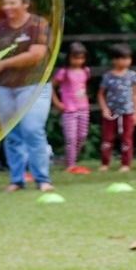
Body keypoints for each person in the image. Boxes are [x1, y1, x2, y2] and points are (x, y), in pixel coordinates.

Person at [0, 0, 54, 192]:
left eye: (12, 3)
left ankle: (42, 179)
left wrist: (4, 63)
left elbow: (36, 55)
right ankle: (16, 180)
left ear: (25, 4)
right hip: (3, 88)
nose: (7, 7)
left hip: (34, 86)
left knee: (32, 129)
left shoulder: (38, 24)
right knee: (12, 134)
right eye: (5, 3)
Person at [98, 43, 136, 172]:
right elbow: (100, 94)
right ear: (115, 59)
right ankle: (105, 163)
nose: (126, 61)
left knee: (127, 138)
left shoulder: (132, 76)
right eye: (123, 58)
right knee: (108, 138)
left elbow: (135, 95)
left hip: (128, 112)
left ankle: (126, 164)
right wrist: (104, 109)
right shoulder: (107, 76)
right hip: (111, 112)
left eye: (128, 58)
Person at [52, 42, 92, 174]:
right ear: (69, 57)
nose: (78, 61)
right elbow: (51, 87)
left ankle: (71, 159)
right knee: (71, 138)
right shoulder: (64, 72)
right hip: (69, 110)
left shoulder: (85, 71)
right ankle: (70, 164)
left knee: (82, 136)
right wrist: (57, 103)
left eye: (81, 58)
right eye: (75, 58)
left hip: (83, 108)